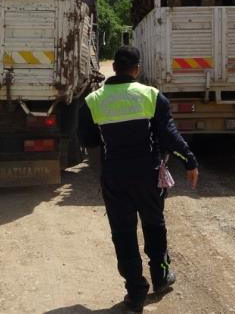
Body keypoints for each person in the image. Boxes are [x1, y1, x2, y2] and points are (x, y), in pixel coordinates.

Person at [78, 46, 200, 312]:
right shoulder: (151, 96)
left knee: (123, 233)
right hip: (148, 175)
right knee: (154, 225)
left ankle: (135, 293)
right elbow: (169, 137)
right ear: (137, 69)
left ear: (114, 68)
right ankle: (161, 276)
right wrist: (189, 160)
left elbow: (87, 140)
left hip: (114, 177)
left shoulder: (92, 101)